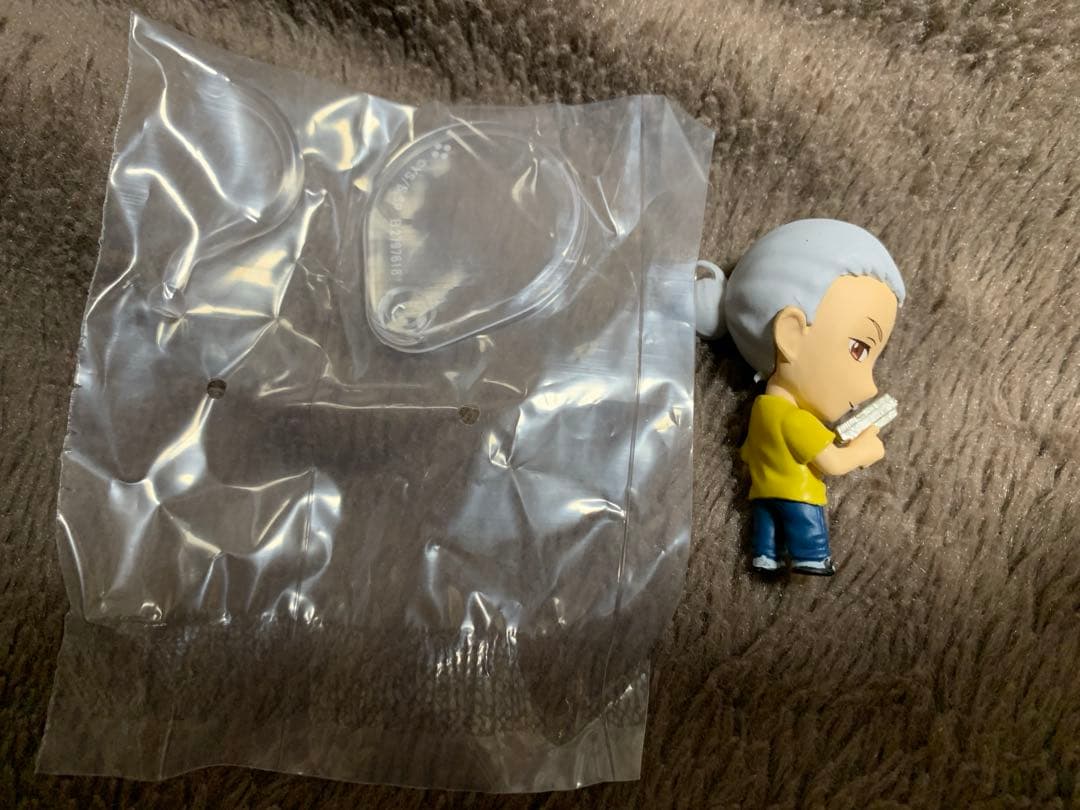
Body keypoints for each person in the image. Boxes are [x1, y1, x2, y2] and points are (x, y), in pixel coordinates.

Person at [695, 219, 905, 575]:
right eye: (859, 349)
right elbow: (832, 463)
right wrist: (866, 449)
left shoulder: (761, 409)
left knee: (767, 531)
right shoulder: (795, 419)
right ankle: (812, 557)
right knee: (806, 528)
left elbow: (748, 451)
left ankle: (766, 554)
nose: (870, 387)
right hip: (796, 494)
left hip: (762, 491)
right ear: (791, 335)